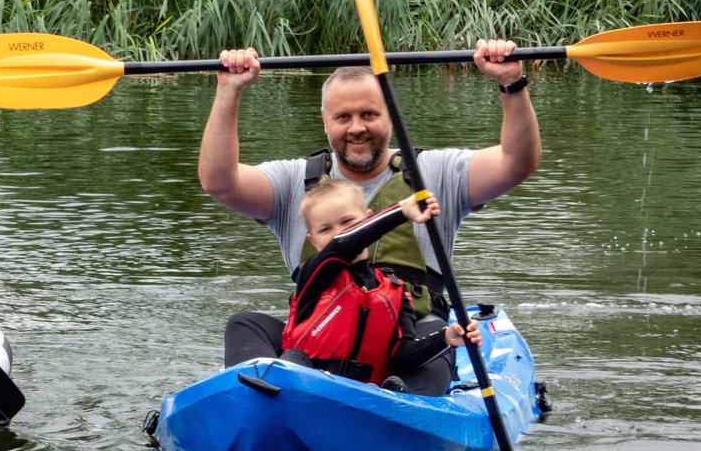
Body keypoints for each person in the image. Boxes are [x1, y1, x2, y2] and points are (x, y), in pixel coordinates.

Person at [199, 39, 540, 371]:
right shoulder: (293, 181)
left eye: (369, 114)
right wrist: (229, 89)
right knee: (246, 324)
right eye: (343, 117)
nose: (357, 128)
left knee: (433, 350)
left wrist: (511, 82)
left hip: (409, 338)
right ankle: (263, 385)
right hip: (323, 337)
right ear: (324, 120)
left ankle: (398, 400)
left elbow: (516, 163)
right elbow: (220, 183)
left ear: (390, 114)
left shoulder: (435, 171)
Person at [281, 180, 481, 395]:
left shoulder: (396, 291)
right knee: (286, 354)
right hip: (308, 388)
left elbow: (402, 355)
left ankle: (402, 401)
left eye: (348, 221)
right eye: (325, 229)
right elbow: (341, 246)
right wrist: (401, 211)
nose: (338, 232)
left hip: (372, 395)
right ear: (313, 241)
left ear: (368, 219)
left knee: (436, 355)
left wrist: (445, 339)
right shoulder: (314, 274)